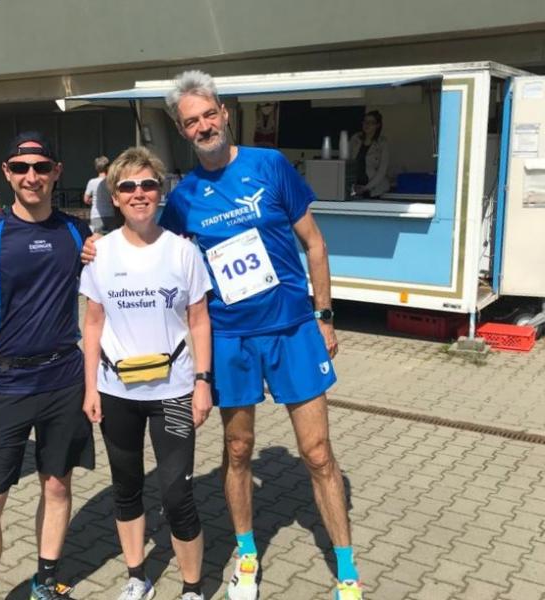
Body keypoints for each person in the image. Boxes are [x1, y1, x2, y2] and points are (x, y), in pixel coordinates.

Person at [83, 70, 363, 600]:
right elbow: (150, 242)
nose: (204, 126)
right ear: (182, 130)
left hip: (292, 330)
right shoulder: (185, 197)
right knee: (237, 449)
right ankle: (248, 556)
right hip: (231, 338)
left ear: (225, 113)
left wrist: (324, 316)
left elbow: (315, 245)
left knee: (318, 452)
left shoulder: (270, 165)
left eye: (209, 114)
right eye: (192, 121)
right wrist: (95, 245)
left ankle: (346, 571)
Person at [0, 131, 95, 600]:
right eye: (20, 168)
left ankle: (45, 582)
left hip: (64, 379)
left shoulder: (77, 234)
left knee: (57, 487)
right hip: (3, 383)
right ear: (7, 174)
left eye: (41, 167)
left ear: (56, 172)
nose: (31, 176)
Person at [81, 147, 213, 600]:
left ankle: (193, 587)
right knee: (126, 487)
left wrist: (203, 383)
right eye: (128, 187)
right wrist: (90, 389)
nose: (139, 194)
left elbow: (199, 320)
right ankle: (137, 576)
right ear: (115, 197)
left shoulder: (183, 251)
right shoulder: (99, 253)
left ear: (160, 192)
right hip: (116, 392)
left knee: (177, 493)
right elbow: (93, 323)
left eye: (148, 184)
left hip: (173, 392)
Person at [349, 110, 390, 198]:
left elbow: (382, 171)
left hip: (374, 187)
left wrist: (366, 188)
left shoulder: (382, 143)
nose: (367, 125)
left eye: (371, 122)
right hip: (355, 186)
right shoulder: (355, 139)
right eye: (365, 121)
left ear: (377, 125)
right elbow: (347, 162)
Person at [83, 155, 118, 233]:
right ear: (108, 167)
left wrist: (93, 200)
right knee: (112, 237)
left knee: (98, 238)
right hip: (110, 214)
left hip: (96, 215)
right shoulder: (111, 182)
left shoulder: (92, 182)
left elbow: (86, 199)